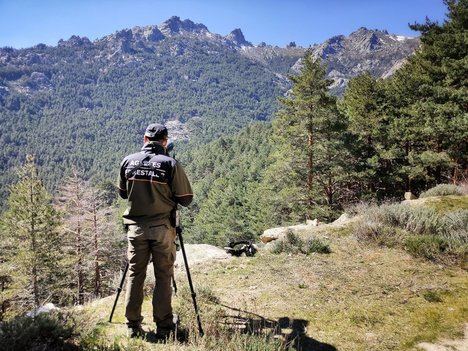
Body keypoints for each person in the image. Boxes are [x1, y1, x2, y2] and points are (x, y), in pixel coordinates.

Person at [118, 123, 193, 338]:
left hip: (136, 229)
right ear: (165, 142)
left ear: (144, 139)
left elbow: (123, 193)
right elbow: (186, 199)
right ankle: (164, 327)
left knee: (135, 275)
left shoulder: (127, 161)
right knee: (163, 275)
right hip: (162, 229)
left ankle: (132, 326)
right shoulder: (170, 164)